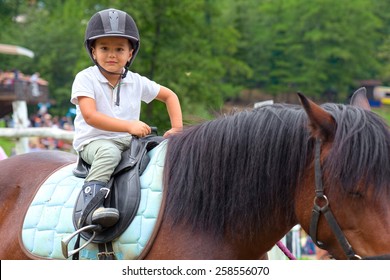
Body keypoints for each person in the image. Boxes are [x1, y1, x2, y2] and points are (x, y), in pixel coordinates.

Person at [70, 8, 183, 229]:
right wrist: (129, 125)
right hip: (94, 142)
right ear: (93, 51)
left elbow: (170, 96)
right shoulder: (85, 78)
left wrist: (177, 128)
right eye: (104, 48)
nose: (112, 54)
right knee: (109, 153)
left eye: (119, 49)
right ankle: (89, 206)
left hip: (129, 141)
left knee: (162, 151)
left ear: (130, 53)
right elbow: (91, 116)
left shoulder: (136, 81)